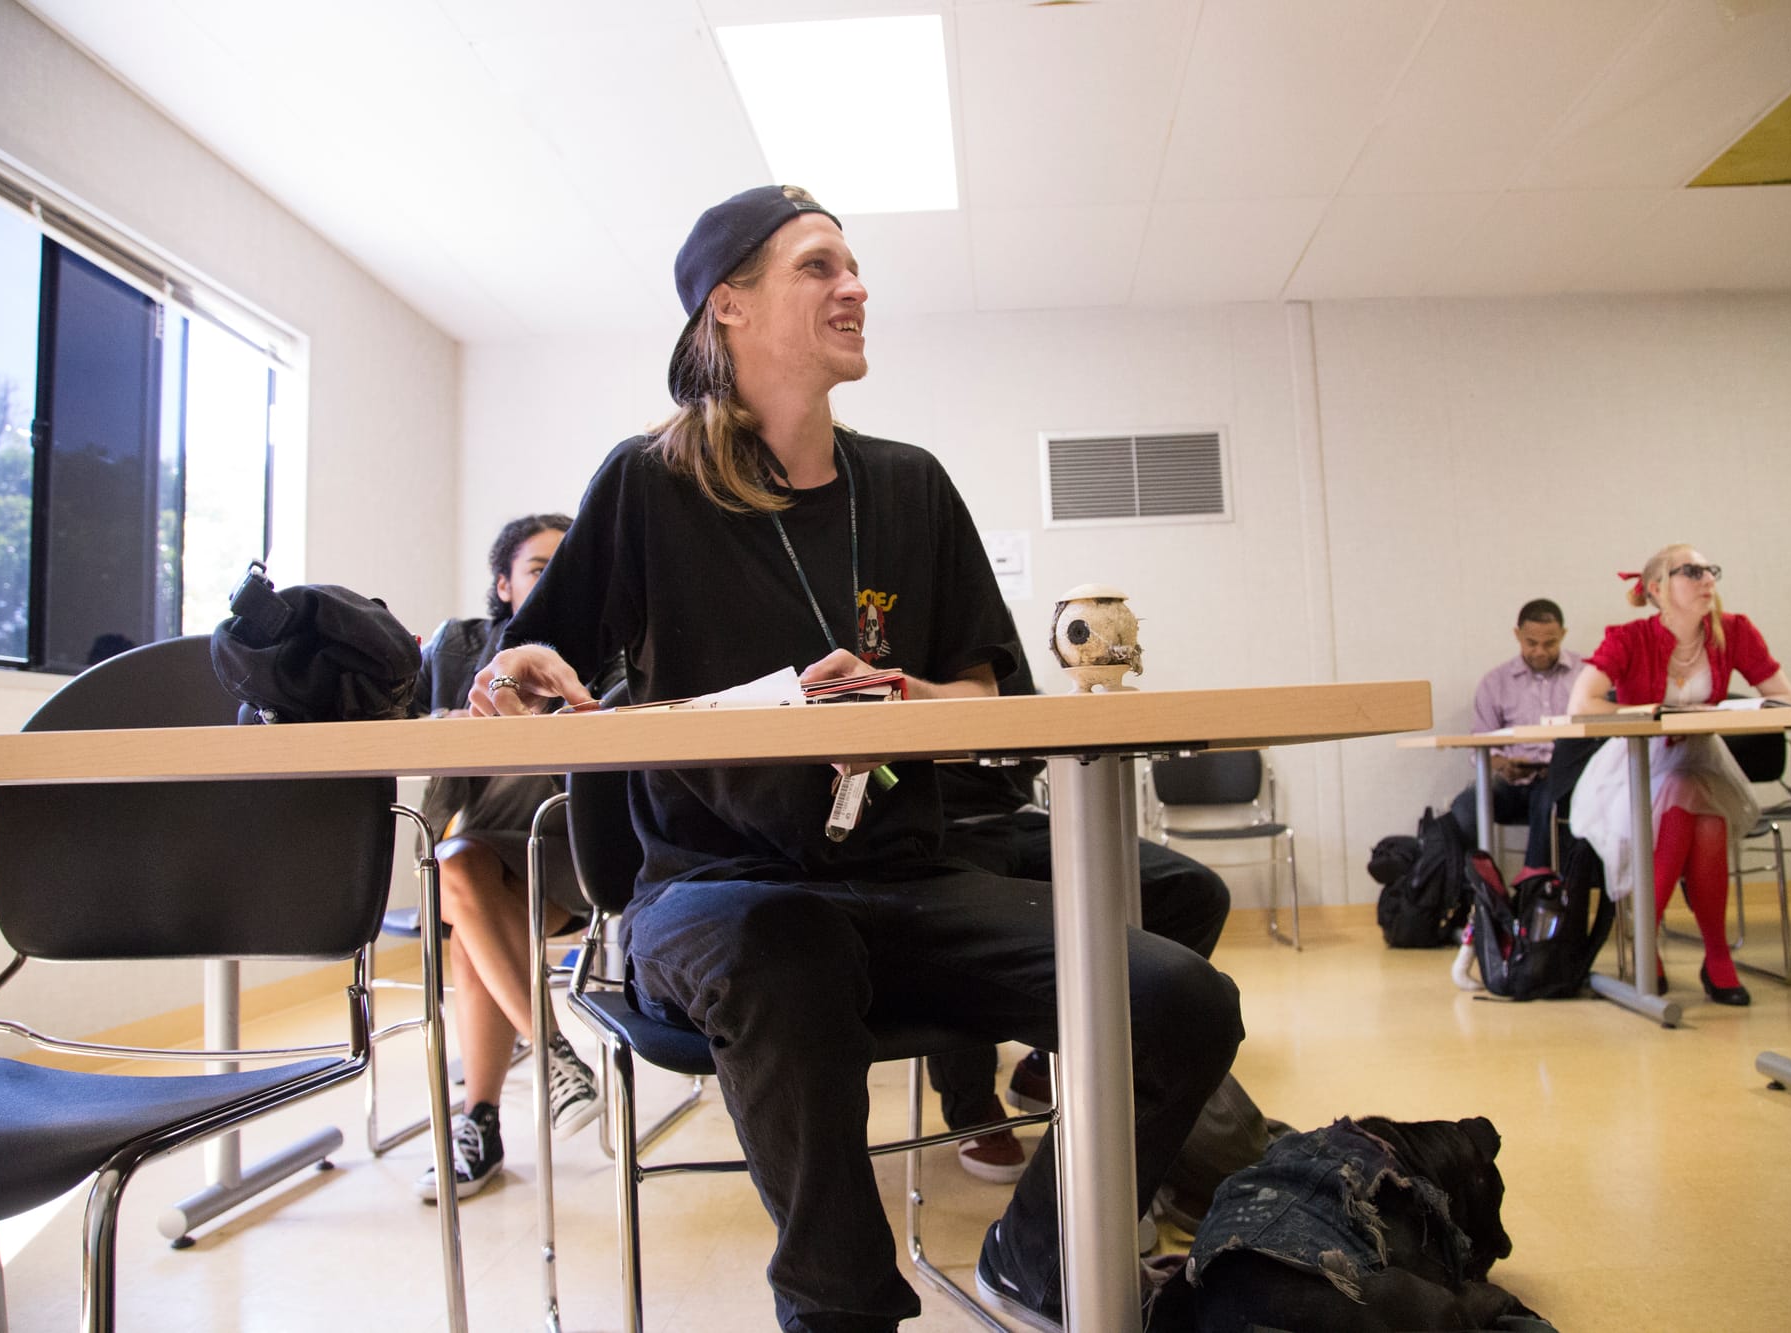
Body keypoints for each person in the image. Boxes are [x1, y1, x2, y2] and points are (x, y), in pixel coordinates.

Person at [468, 185, 1242, 1332]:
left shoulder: (909, 486)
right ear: (727, 307)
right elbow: (531, 667)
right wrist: (516, 670)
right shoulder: (647, 485)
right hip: (713, 891)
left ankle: (1038, 1255)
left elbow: (989, 694)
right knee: (786, 948)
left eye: (853, 265)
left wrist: (911, 700)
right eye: (817, 266)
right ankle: (837, 1312)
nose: (854, 287)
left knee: (1179, 1002)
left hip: (900, 873)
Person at [926, 633, 1232, 1185]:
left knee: (1192, 891)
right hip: (934, 829)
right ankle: (970, 1107)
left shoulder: (980, 631)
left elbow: (1024, 726)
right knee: (955, 913)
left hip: (1012, 815)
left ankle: (1054, 1057)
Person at [408, 513, 603, 1201]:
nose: (552, 582)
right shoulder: (461, 651)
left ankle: (481, 1119)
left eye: (563, 568)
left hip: (575, 858)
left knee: (468, 914)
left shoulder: (606, 647)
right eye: (536, 569)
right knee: (459, 869)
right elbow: (407, 731)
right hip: (485, 862)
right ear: (503, 584)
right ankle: (547, 1059)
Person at [1564, 545, 1791, 1006]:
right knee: (1689, 801)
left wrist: (1729, 712)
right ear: (1656, 588)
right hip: (1637, 763)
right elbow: (1581, 704)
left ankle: (1660, 944)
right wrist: (1652, 712)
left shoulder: (1734, 631)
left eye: (1710, 570)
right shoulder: (1630, 638)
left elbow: (1787, 700)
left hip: (1700, 758)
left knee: (1698, 808)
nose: (1707, 579)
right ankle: (1711, 957)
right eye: (1691, 571)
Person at [1448, 599, 1581, 874]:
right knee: (1465, 807)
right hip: (1512, 781)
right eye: (1531, 643)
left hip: (1562, 779)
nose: (1540, 651)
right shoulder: (1495, 682)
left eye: (1550, 643)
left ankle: (1533, 884)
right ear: (1517, 635)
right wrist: (1503, 765)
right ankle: (1479, 886)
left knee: (1550, 797)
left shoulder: (1584, 675)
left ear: (1563, 634)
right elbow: (1480, 744)